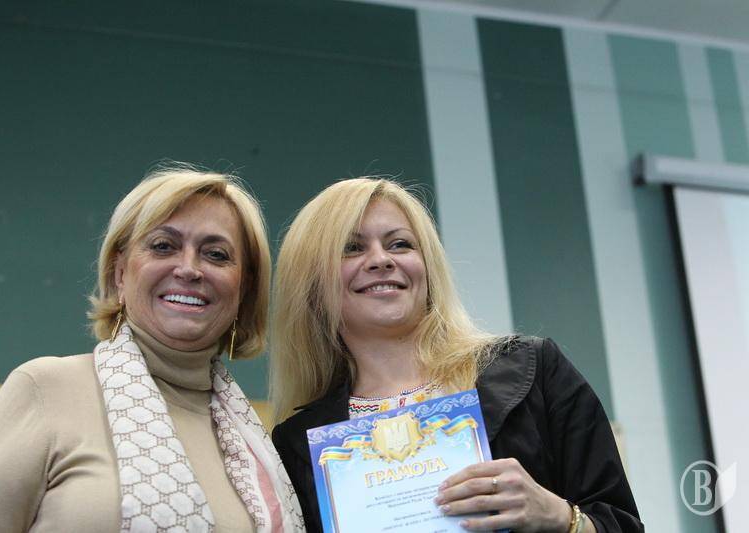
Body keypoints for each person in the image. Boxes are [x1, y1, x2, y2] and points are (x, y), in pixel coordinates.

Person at [270, 178, 643, 532]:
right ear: (311, 284)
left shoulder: (534, 372)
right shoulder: (299, 444)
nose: (381, 260)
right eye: (352, 248)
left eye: (400, 244)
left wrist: (560, 517)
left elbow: (622, 523)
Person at [0, 164, 304, 532]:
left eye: (216, 254)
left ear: (244, 290)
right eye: (163, 246)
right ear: (119, 273)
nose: (189, 269)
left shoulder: (258, 449)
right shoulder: (45, 389)